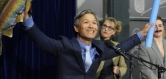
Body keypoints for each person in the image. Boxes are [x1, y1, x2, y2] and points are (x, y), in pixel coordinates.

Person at [22, 9, 152, 79]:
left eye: (94, 23)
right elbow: (42, 41)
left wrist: (141, 34)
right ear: (76, 28)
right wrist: (27, 19)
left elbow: (120, 48)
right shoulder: (64, 46)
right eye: (86, 22)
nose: (91, 26)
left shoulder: (100, 48)